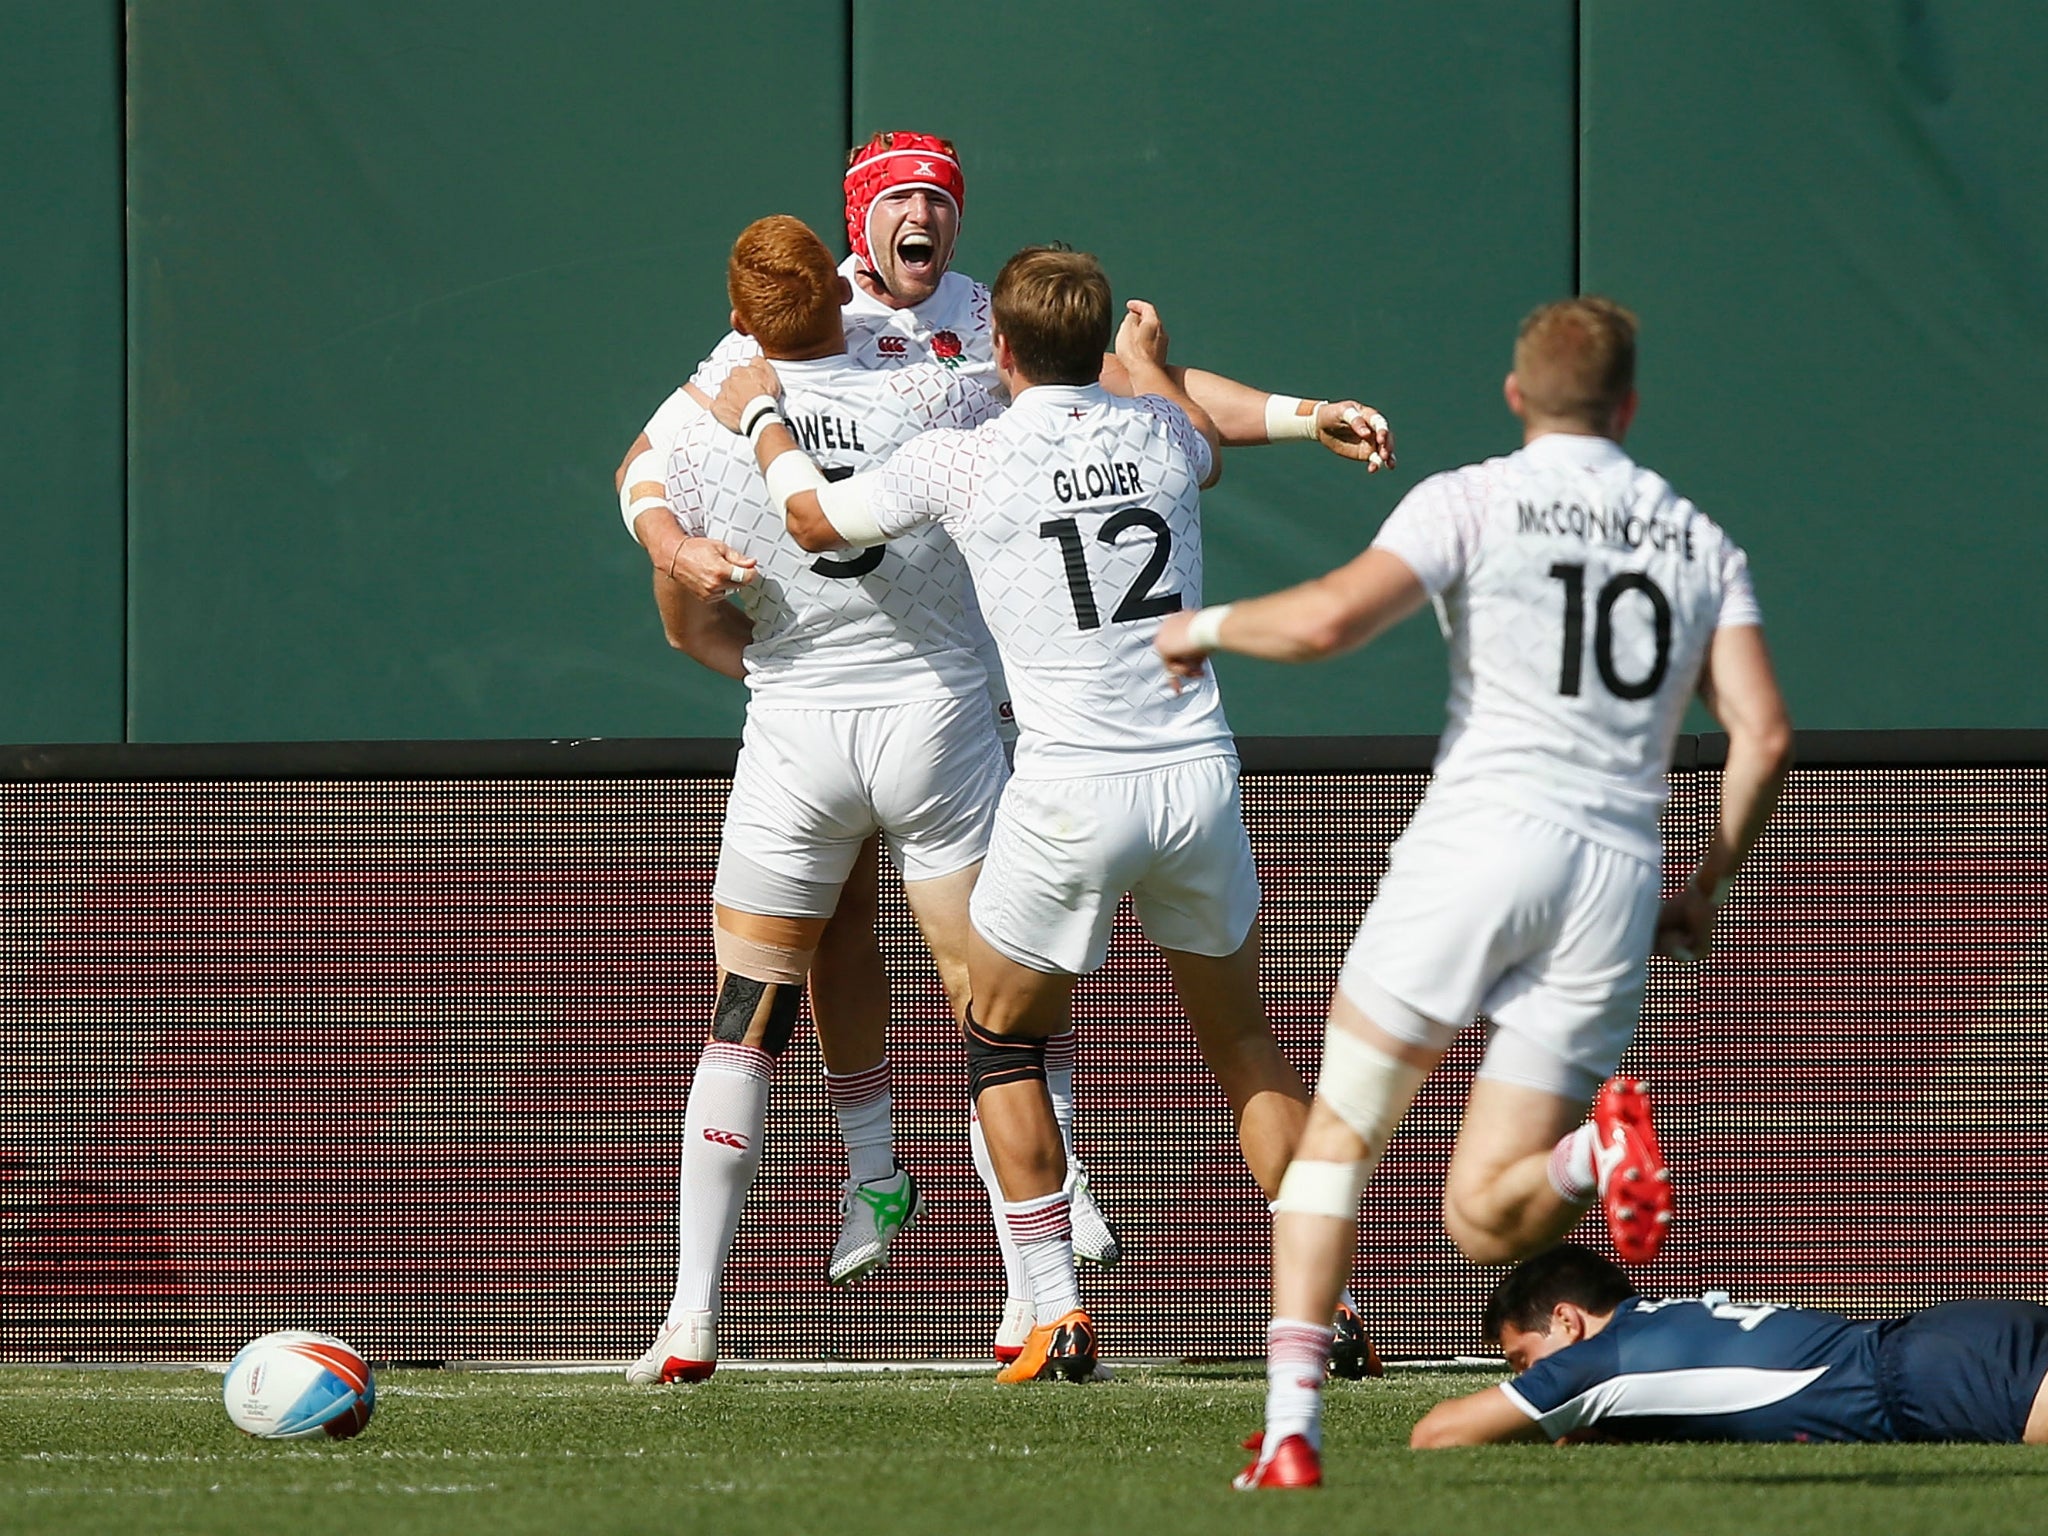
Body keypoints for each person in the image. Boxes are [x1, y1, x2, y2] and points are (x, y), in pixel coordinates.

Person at [619, 131, 1397, 1365]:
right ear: (850, 234)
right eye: (900, 199)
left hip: (956, 715)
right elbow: (1175, 404)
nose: (925, 215)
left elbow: (750, 498)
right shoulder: (1127, 431)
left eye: (943, 197)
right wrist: (1266, 405)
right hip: (1141, 757)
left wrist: (728, 475)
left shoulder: (941, 410)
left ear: (1002, 344)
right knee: (1205, 1039)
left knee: (986, 1023)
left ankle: (1027, 1281)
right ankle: (1309, 1296)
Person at [1155, 296, 1796, 1486]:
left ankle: (1292, 1430)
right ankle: (1591, 1163)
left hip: (1481, 839)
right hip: (1612, 874)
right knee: (1484, 1218)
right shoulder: (1697, 539)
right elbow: (1759, 735)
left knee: (1336, 1142)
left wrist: (1205, 625)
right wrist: (1704, 884)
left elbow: (1332, 618)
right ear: (1629, 406)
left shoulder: (1471, 496)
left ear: (1514, 396)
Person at [625, 215, 1013, 1384]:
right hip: (935, 718)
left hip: (795, 725)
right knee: (995, 1008)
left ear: (739, 322)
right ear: (846, 304)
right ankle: (1032, 1297)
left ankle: (690, 1318)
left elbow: (635, 480)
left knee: (745, 1014)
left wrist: (677, 548)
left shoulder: (701, 426)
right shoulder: (929, 403)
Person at [1411, 1243, 2048, 1447]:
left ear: (1567, 1321)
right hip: (1948, 1335)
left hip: (1926, 1378)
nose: (1526, 1375)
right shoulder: (1659, 1319)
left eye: (1523, 1359)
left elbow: (1435, 1435)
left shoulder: (1595, 1362)